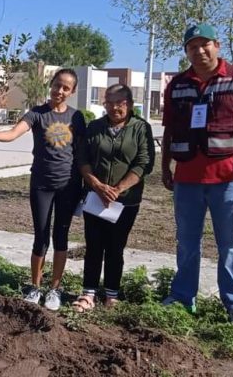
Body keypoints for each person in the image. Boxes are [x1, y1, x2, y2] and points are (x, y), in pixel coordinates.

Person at [160, 24, 233, 331]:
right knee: (186, 242)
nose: (199, 51)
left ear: (217, 45)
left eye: (205, 44)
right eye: (192, 47)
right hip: (188, 179)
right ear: (187, 52)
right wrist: (166, 165)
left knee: (230, 244)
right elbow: (169, 130)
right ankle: (182, 297)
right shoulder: (177, 84)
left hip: (230, 179)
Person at [0, 68, 85, 311]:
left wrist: (86, 185)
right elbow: (15, 133)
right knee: (41, 237)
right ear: (51, 84)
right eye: (57, 85)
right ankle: (35, 286)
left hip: (68, 186)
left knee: (61, 237)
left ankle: (55, 289)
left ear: (72, 91)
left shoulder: (76, 117)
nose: (60, 90)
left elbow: (81, 153)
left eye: (66, 88)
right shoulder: (37, 114)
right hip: (41, 185)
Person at [73, 84, 155, 312]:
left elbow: (144, 163)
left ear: (129, 104)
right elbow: (82, 159)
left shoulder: (140, 128)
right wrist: (97, 186)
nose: (114, 107)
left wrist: (118, 189)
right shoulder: (95, 127)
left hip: (125, 201)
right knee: (93, 245)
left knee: (115, 247)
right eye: (109, 102)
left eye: (120, 103)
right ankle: (88, 293)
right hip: (95, 198)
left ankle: (112, 293)